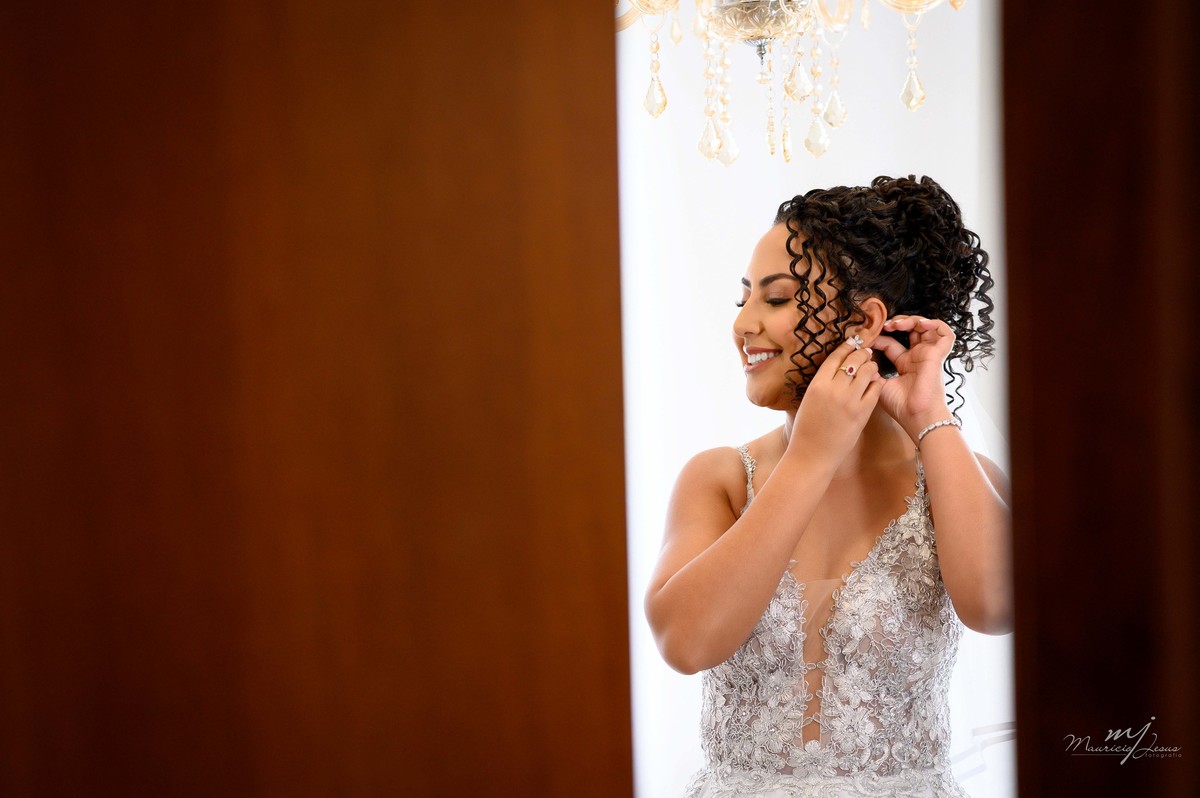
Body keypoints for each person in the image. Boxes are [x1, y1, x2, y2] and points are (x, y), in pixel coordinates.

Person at [644, 175, 1013, 798]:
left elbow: (997, 607)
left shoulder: (958, 476)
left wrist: (930, 417)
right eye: (743, 298)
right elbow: (684, 643)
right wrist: (811, 457)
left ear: (863, 321)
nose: (743, 324)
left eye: (776, 298)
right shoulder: (720, 478)